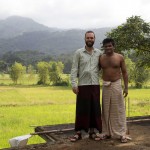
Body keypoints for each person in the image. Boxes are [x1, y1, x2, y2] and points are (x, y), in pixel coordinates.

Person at [70, 31, 102, 142]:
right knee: (81, 109)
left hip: (95, 85)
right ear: (85, 39)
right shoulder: (79, 52)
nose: (90, 39)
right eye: (88, 38)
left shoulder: (99, 53)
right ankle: (78, 133)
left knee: (94, 109)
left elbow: (101, 67)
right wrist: (74, 84)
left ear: (94, 39)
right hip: (82, 85)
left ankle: (92, 132)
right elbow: (74, 69)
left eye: (91, 38)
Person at [99, 38, 131, 143]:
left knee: (119, 109)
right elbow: (94, 70)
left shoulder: (119, 57)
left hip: (117, 84)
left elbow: (125, 72)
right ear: (103, 47)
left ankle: (122, 134)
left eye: (110, 46)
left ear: (113, 46)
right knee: (105, 109)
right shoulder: (101, 58)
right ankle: (106, 132)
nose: (108, 48)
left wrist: (126, 87)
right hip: (105, 85)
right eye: (106, 46)